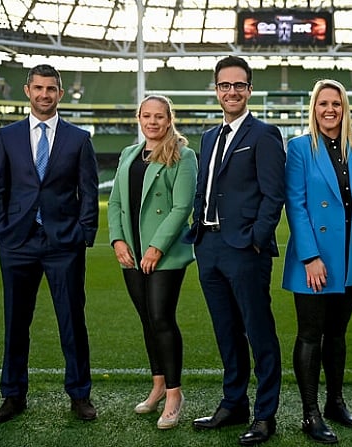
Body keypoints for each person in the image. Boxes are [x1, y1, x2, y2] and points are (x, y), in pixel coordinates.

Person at [282, 79, 352, 444]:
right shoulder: (299, 147)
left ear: (344, 108)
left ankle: (335, 402)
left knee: (338, 333)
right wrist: (310, 256)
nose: (329, 110)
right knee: (310, 335)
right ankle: (310, 413)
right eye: (322, 104)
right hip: (315, 257)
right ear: (313, 109)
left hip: (351, 253)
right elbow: (296, 205)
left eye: (336, 104)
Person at [0, 64, 99, 423]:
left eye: (51, 89)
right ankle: (13, 394)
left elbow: (89, 192)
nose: (44, 95)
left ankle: (80, 394)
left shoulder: (79, 138)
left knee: (72, 321)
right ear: (27, 91)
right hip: (17, 243)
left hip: (63, 243)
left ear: (60, 94)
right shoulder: (7, 136)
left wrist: (83, 234)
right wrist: (2, 234)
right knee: (16, 322)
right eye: (38, 88)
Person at [185, 55, 286, 446]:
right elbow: (204, 189)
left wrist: (257, 238)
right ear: (216, 90)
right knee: (226, 331)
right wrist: (198, 229)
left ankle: (265, 414)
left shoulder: (264, 134)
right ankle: (233, 403)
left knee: (258, 332)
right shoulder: (210, 136)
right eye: (225, 85)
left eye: (239, 85)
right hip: (208, 246)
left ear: (249, 90)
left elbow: (273, 193)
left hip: (245, 249)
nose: (231, 92)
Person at [107, 95, 197, 429]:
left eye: (159, 116)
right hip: (131, 252)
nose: (152, 122)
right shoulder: (129, 154)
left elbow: (181, 207)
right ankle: (158, 386)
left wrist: (156, 247)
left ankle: (174, 394)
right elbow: (115, 201)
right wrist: (117, 240)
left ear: (169, 119)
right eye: (146, 116)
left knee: (161, 319)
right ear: (139, 118)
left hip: (164, 255)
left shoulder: (182, 155)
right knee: (147, 319)